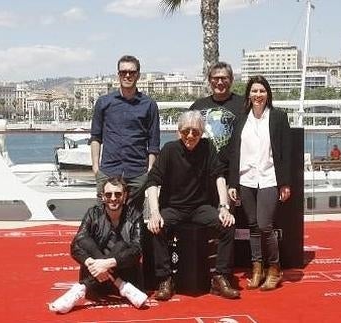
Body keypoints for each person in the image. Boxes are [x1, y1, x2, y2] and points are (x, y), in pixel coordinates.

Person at [145, 110, 240, 301]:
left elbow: (219, 176)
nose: (190, 136)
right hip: (173, 207)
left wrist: (224, 207)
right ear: (179, 132)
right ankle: (165, 279)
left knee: (228, 225)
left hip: (200, 208)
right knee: (156, 227)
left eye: (195, 132)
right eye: (186, 131)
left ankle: (220, 276)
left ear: (202, 133)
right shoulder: (169, 150)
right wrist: (154, 212)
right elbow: (152, 182)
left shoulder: (208, 147)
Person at [227, 75, 291, 291]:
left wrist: (285, 183)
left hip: (269, 178)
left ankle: (275, 269)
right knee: (253, 226)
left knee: (265, 225)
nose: (258, 95)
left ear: (268, 94)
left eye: (262, 91)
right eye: (254, 91)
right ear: (248, 95)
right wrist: (233, 183)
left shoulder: (278, 117)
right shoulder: (241, 118)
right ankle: (257, 269)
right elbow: (234, 152)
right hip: (246, 179)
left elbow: (285, 153)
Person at [48, 176, 147, 314]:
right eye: (108, 194)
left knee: (122, 245)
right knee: (83, 240)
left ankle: (81, 288)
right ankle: (119, 284)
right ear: (102, 197)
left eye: (118, 194)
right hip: (98, 282)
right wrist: (96, 264)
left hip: (126, 274)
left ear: (125, 196)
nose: (113, 198)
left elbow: (137, 250)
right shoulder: (93, 213)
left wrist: (108, 263)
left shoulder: (135, 216)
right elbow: (75, 246)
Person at [90, 55, 160, 208]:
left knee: (133, 222)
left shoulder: (149, 105)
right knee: (102, 222)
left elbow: (153, 143)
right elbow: (96, 137)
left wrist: (148, 173)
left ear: (138, 75)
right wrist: (96, 168)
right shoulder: (104, 103)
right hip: (108, 172)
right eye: (123, 72)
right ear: (118, 75)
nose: (127, 75)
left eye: (131, 72)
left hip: (137, 175)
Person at [190, 62, 244, 204]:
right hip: (202, 173)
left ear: (231, 80)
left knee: (225, 217)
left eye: (224, 78)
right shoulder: (198, 106)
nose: (219, 82)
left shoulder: (243, 104)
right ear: (209, 80)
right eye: (215, 78)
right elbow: (183, 134)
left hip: (230, 174)